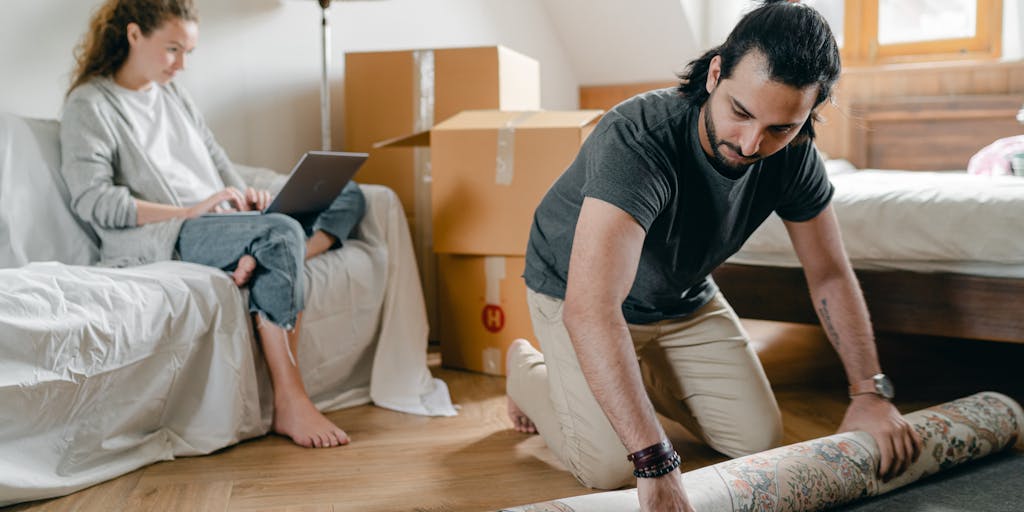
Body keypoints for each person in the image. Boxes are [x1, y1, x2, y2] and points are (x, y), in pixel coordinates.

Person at [504, 1, 923, 510]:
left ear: (808, 115)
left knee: (757, 441)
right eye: (741, 113)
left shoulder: (795, 157)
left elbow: (830, 275)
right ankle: (529, 371)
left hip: (682, 297)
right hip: (574, 292)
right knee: (609, 466)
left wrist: (869, 394)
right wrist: (654, 461)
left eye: (780, 128)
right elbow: (592, 310)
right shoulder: (637, 138)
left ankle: (632, 376)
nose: (750, 144)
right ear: (716, 73)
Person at [60, 0, 365, 449]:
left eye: (188, 53)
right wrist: (189, 211)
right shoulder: (90, 104)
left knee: (349, 191)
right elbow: (93, 200)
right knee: (280, 232)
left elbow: (215, 160)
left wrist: (249, 197)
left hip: (225, 219)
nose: (181, 65)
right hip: (170, 232)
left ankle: (270, 254)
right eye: (172, 50)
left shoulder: (173, 95)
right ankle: (290, 398)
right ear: (133, 36)